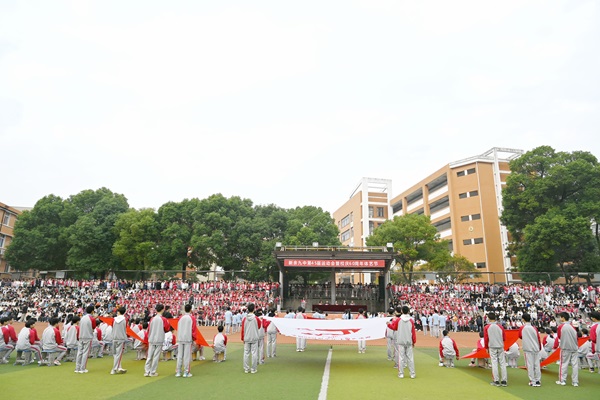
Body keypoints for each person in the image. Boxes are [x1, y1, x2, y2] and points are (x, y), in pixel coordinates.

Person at [388, 305, 416, 379]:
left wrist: (388, 325)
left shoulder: (399, 320)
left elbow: (394, 327)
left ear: (402, 311)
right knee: (410, 358)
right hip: (409, 341)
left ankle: (401, 373)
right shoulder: (411, 320)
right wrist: (414, 341)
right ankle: (412, 373)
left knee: (401, 358)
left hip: (401, 341)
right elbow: (413, 332)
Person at [144, 303, 170, 377]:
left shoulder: (152, 319)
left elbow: (149, 329)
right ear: (162, 309)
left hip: (151, 338)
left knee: (150, 355)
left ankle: (147, 371)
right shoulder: (163, 319)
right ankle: (152, 371)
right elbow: (167, 329)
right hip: (159, 338)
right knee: (156, 356)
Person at [554, 312, 579, 387]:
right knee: (575, 365)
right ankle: (575, 382)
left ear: (563, 318)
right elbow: (577, 337)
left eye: (560, 317)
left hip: (565, 347)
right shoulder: (573, 326)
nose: (560, 319)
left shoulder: (561, 326)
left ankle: (562, 380)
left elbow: (559, 336)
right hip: (574, 347)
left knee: (563, 364)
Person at [484, 312, 507, 387]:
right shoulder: (500, 326)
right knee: (502, 363)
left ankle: (496, 380)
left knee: (494, 363)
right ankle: (504, 381)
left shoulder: (487, 327)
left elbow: (486, 339)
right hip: (500, 346)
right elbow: (504, 338)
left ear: (489, 318)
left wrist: (486, 347)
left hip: (492, 346)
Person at [519, 312, 541, 387]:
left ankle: (532, 380)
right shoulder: (534, 328)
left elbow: (520, 336)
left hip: (528, 348)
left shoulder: (522, 327)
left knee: (530, 365)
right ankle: (538, 380)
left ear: (523, 319)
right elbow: (538, 338)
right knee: (536, 364)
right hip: (536, 347)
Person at [176, 303, 197, 378]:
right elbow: (193, 329)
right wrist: (194, 338)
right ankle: (186, 372)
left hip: (180, 338)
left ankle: (178, 371)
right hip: (188, 338)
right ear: (191, 310)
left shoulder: (180, 317)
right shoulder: (192, 318)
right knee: (187, 356)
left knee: (180, 355)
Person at [241, 302, 261, 374]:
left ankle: (246, 368)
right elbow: (259, 326)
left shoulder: (244, 319)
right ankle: (253, 369)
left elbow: (243, 329)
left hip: (247, 337)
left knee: (246, 353)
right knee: (254, 353)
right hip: (254, 337)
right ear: (254, 309)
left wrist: (242, 338)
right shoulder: (256, 318)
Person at [75, 305, 96, 373]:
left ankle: (77, 368)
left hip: (81, 336)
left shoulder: (82, 318)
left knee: (80, 352)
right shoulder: (92, 318)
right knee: (85, 352)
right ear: (92, 311)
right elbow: (93, 327)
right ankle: (82, 368)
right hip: (88, 336)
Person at [111, 306, 128, 375]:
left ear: (118, 312)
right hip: (121, 338)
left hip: (114, 337)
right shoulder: (125, 319)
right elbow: (125, 328)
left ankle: (119, 366)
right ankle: (114, 368)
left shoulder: (114, 319)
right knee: (119, 354)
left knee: (115, 354)